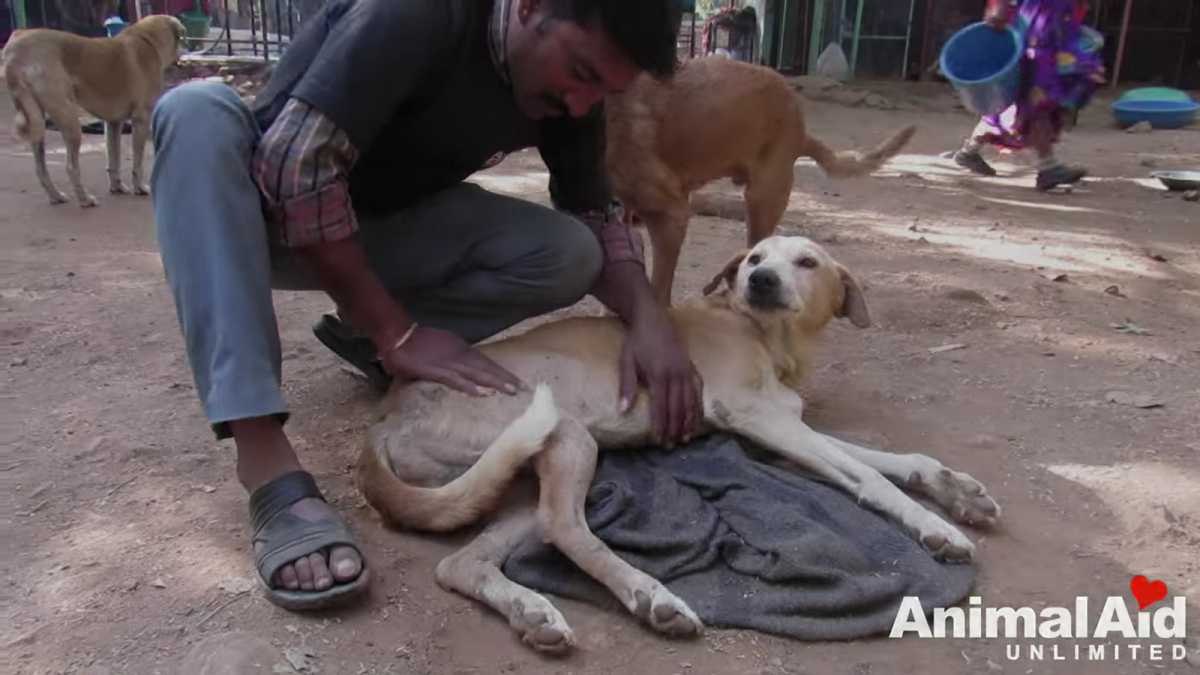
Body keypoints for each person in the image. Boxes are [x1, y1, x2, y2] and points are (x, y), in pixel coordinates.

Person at [148, 0, 701, 612]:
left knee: (569, 251)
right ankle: (265, 458)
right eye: (580, 73)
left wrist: (652, 321)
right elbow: (297, 170)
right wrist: (399, 330)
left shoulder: (572, 92)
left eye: (601, 91)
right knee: (194, 111)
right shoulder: (417, 13)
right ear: (531, 7)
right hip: (263, 214)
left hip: (373, 227)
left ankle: (367, 343)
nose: (579, 104)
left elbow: (595, 219)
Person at [951, 0, 1106, 190]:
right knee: (1038, 103)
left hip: (1054, 36)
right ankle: (1048, 166)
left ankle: (969, 151)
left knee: (1019, 104)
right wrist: (999, 7)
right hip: (1036, 38)